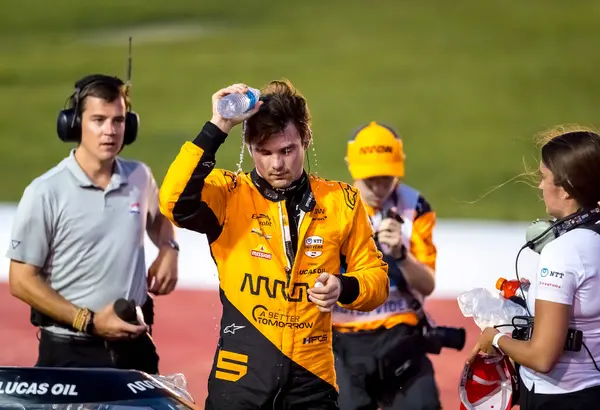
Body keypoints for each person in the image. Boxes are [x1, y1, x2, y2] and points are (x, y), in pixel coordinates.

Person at [158, 80, 390, 409]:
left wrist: (344, 287)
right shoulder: (228, 194)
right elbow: (172, 200)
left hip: (312, 379)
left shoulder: (341, 201)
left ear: (306, 140)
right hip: (239, 379)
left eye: (287, 150)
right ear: (249, 146)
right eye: (264, 152)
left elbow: (377, 282)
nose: (276, 164)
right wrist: (218, 125)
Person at [7, 74, 179, 374]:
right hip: (70, 352)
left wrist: (169, 248)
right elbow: (21, 280)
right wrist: (86, 320)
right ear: (75, 124)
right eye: (98, 120)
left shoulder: (140, 176)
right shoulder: (45, 191)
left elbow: (160, 219)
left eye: (118, 121)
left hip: (135, 349)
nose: (110, 131)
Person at [467, 125, 600, 409]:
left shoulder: (563, 252)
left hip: (559, 397)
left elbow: (542, 357)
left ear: (566, 190)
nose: (540, 186)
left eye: (544, 178)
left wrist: (496, 337)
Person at [331, 121, 442, 410]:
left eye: (387, 177)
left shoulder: (416, 207)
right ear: (351, 168)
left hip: (400, 337)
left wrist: (402, 255)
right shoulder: (330, 207)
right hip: (342, 341)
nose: (380, 187)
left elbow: (427, 284)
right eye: (371, 179)